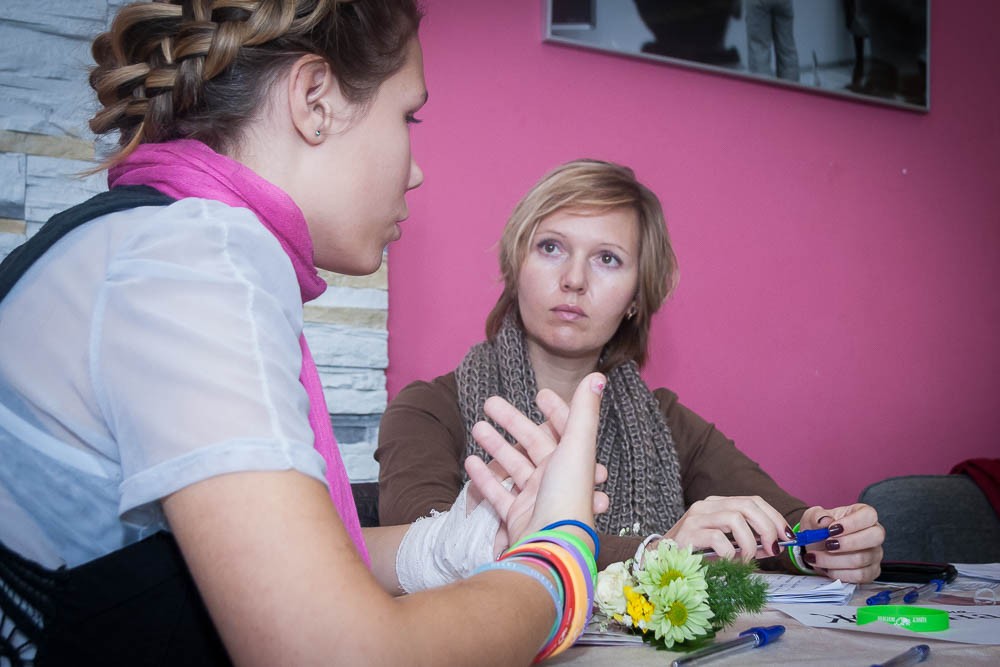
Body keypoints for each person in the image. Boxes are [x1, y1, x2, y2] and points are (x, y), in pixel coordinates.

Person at [0, 2, 607, 665]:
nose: (416, 171)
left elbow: (279, 571)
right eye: (408, 116)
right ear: (314, 100)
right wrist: (557, 560)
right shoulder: (196, 258)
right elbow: (340, 654)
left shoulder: (148, 237)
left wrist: (453, 546)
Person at [376, 159, 885, 582]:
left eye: (607, 259)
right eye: (551, 247)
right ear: (515, 266)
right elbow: (419, 555)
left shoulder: (666, 422)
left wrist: (824, 541)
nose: (573, 279)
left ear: (637, 298)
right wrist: (654, 553)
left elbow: (786, 524)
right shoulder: (429, 410)